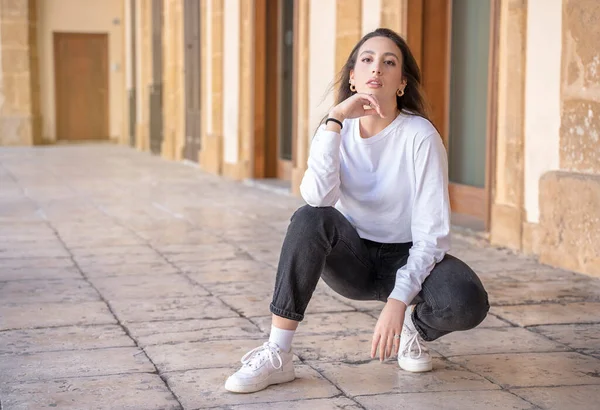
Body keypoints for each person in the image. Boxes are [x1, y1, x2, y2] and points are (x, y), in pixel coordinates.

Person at [224, 28, 489, 394]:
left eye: (388, 62)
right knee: (309, 217)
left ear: (401, 82)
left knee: (468, 299)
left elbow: (433, 233)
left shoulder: (420, 136)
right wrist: (335, 119)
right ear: (352, 76)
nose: (376, 69)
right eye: (366, 60)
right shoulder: (335, 129)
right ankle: (278, 353)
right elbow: (317, 199)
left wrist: (399, 302)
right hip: (354, 258)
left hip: (407, 255)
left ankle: (415, 330)